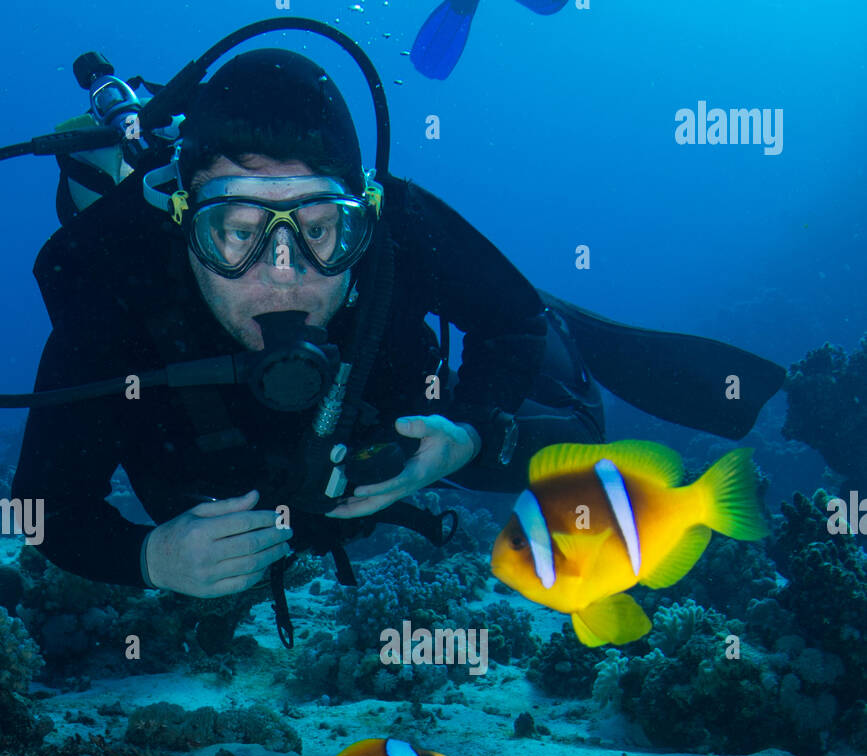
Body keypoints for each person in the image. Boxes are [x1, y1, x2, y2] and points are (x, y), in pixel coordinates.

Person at [12, 46, 785, 626]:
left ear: (366, 220)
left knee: (557, 435)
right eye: (235, 233)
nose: (281, 276)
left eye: (320, 230)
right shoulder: (116, 293)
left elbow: (510, 322)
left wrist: (473, 433)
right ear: (183, 223)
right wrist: (148, 558)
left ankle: (560, 321)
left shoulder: (402, 233)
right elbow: (43, 507)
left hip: (400, 407)